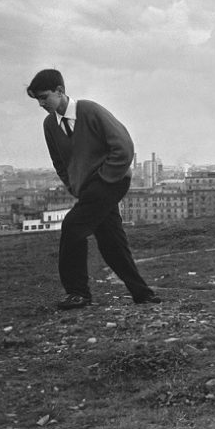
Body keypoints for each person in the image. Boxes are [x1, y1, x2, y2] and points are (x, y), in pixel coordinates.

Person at [26, 69, 160, 309]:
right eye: (37, 99)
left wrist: (106, 177)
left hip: (112, 180)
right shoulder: (50, 125)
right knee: (111, 241)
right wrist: (74, 186)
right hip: (88, 189)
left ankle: (78, 293)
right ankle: (142, 294)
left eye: (44, 96)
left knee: (72, 226)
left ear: (60, 91)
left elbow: (124, 146)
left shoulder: (89, 110)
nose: (41, 103)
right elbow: (59, 162)